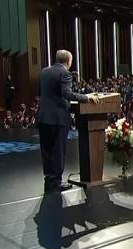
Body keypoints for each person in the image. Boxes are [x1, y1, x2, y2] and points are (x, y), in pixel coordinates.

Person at [37, 50, 99, 192]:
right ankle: (56, 182)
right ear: (69, 61)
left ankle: (49, 180)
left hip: (43, 117)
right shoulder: (65, 73)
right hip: (58, 118)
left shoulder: (44, 72)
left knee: (46, 150)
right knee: (58, 150)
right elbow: (67, 94)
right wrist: (86, 97)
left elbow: (40, 93)